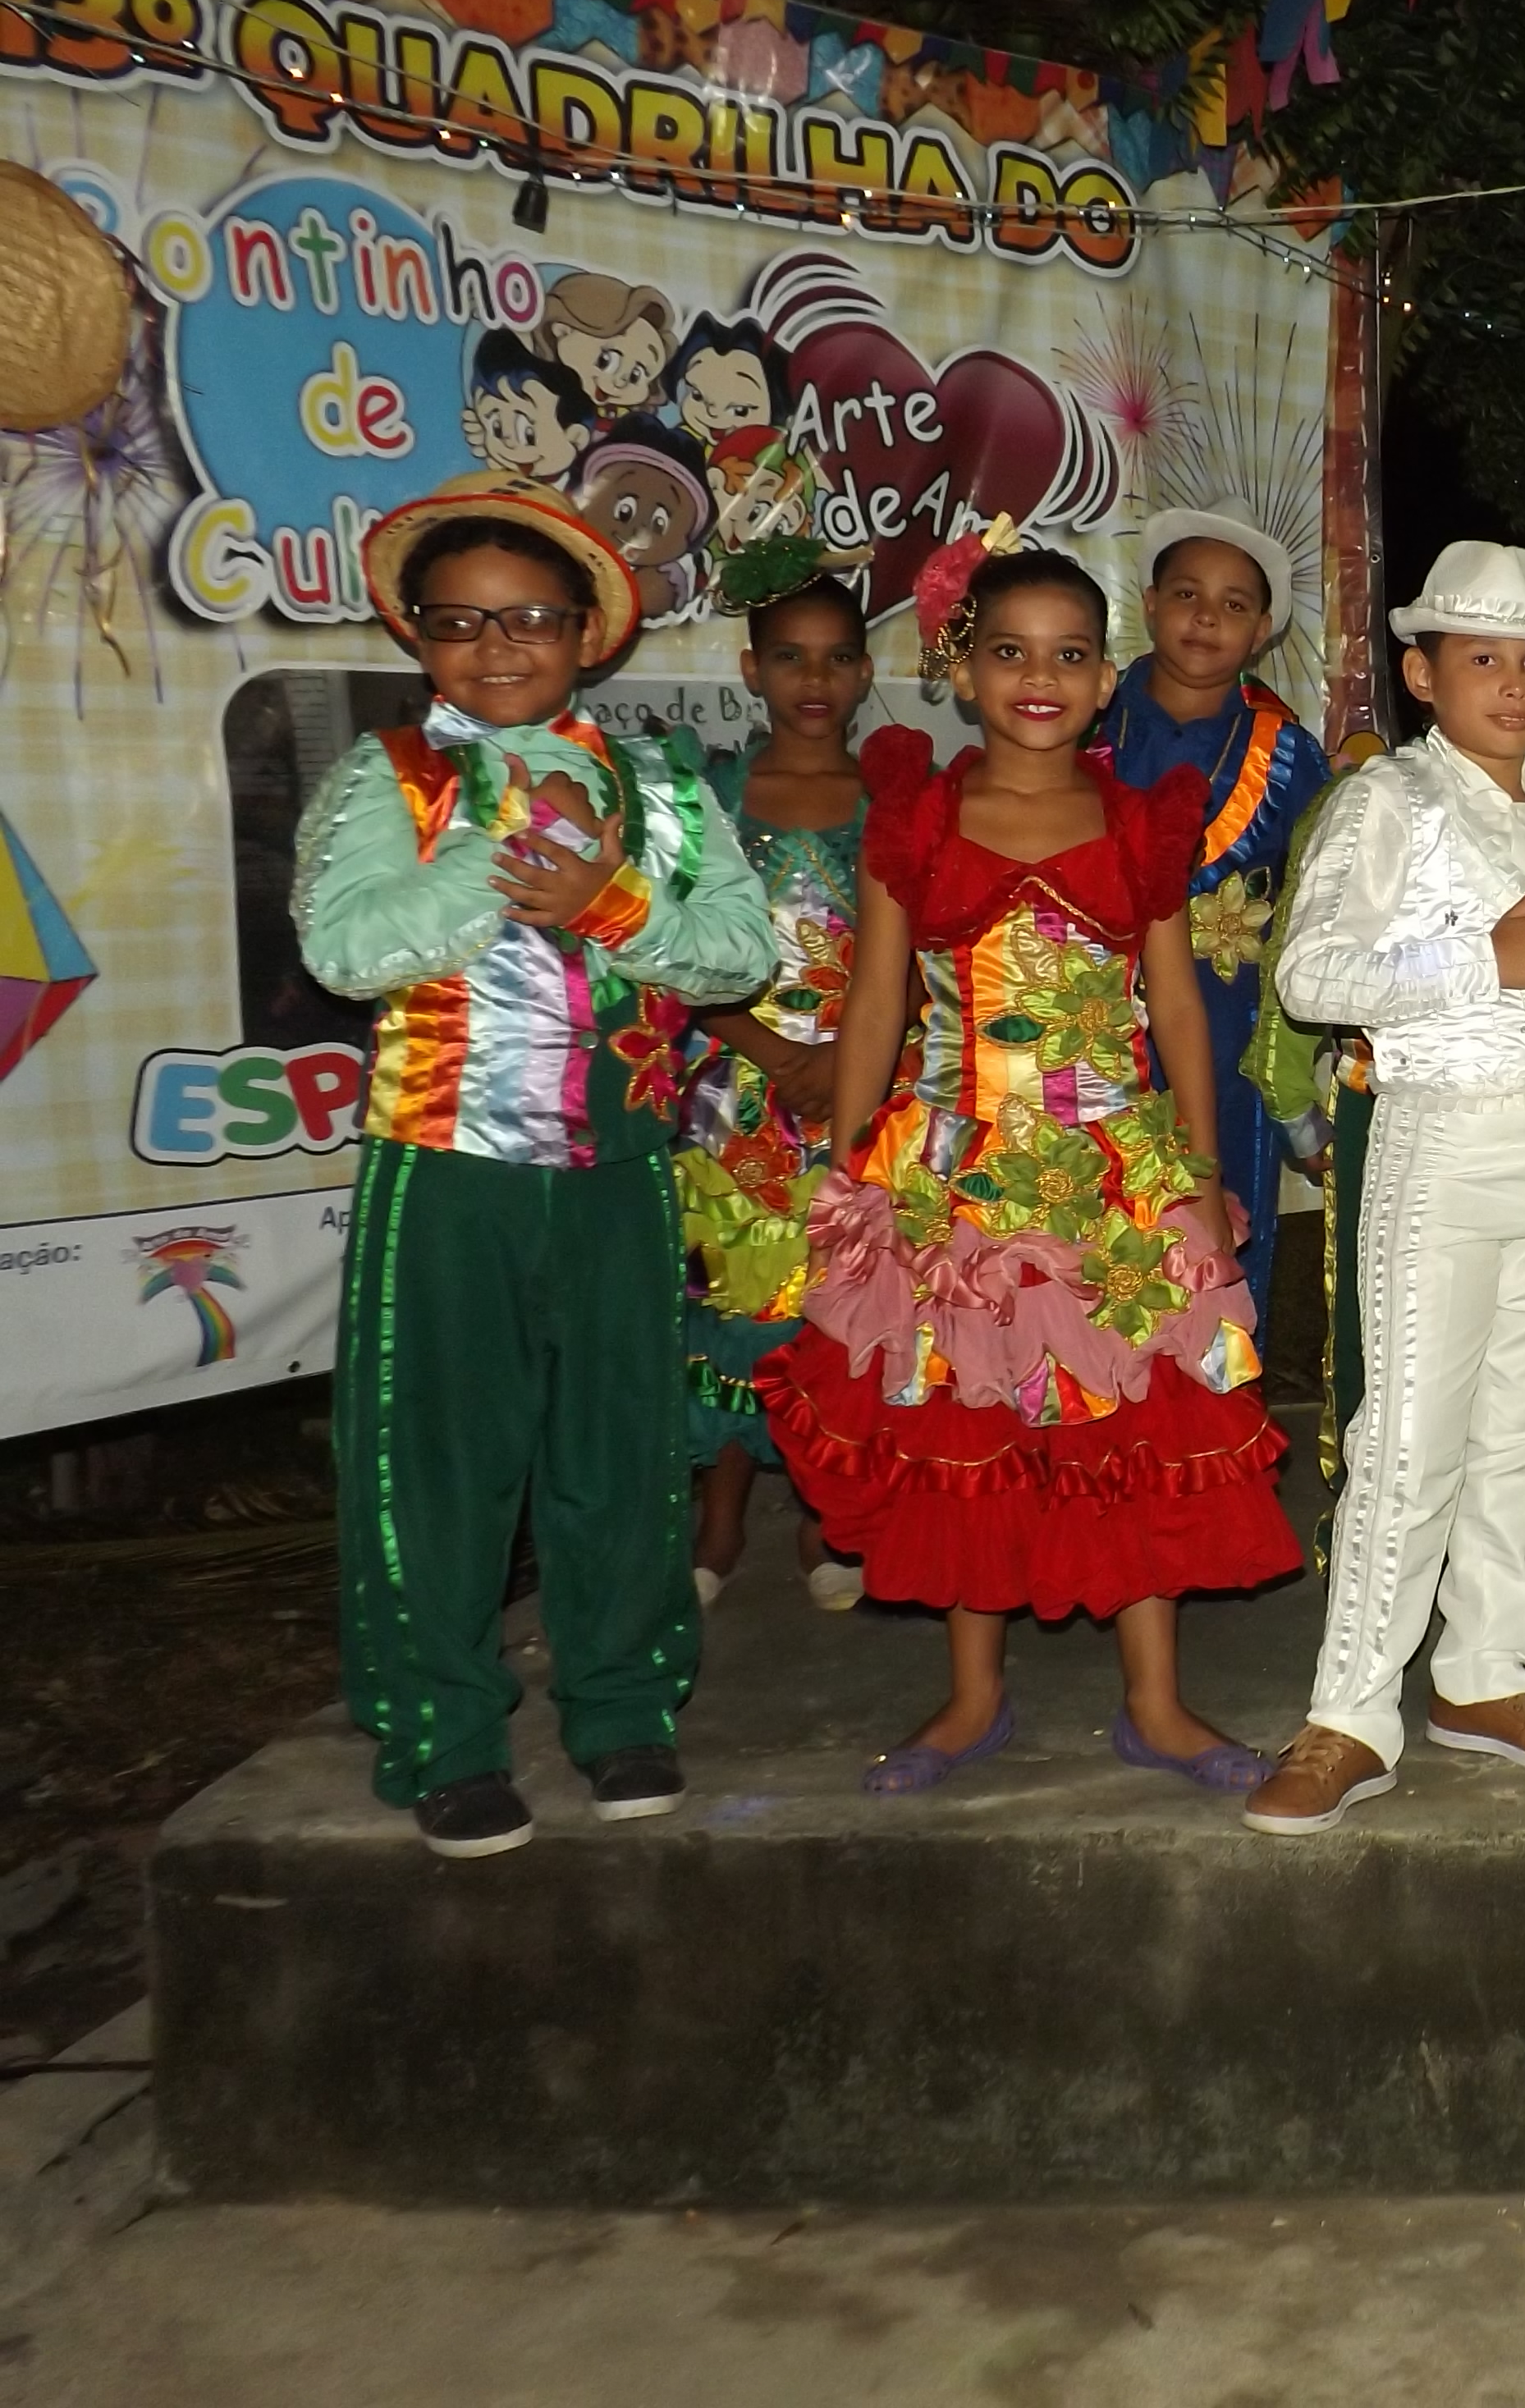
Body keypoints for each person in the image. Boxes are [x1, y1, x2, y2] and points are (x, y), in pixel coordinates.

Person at [760, 529, 1295, 1797]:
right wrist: (849, 1170)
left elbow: (1176, 1011)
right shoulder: (920, 818)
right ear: (962, 670)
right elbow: (877, 1003)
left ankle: (1156, 1704)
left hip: (1115, 1180)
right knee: (968, 1425)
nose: (1038, 678)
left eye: (1067, 656)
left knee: (1138, 1427)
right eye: (1009, 653)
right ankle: (971, 1699)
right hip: (953, 1178)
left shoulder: (1137, 821)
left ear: (1106, 680)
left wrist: (1198, 1169)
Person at [305, 474, 778, 1857]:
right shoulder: (390, 776)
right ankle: (444, 1736)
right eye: (461, 621)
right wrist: (502, 855)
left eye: (529, 619)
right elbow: (346, 948)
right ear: (418, 637)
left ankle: (623, 1708)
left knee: (621, 1456)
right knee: (438, 1463)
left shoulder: (663, 784)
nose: (497, 646)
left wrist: (611, 900)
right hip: (445, 1170)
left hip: (620, 1170)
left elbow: (740, 953)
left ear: (587, 633)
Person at [1245, 541, 1525, 1835]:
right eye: (1485, 660)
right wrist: (1480, 960)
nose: (1515, 685)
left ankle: (1484, 1674)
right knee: (1407, 1441)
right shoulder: (1390, 802)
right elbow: (1311, 977)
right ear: (1422, 675)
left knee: (1521, 1435)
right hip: (1442, 1141)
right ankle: (1350, 1714)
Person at [673, 570, 879, 1613]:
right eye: (790, 657)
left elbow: (915, 957)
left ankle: (821, 1507)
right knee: (731, 1290)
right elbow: (672, 946)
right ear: (752, 670)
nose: (814, 679)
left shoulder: (894, 802)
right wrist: (769, 1051)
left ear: (865, 673)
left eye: (837, 657)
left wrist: (842, 1061)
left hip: (857, 1085)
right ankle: (718, 1513)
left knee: (831, 1295)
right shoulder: (708, 797)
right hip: (730, 1089)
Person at [1099, 506, 1332, 1315]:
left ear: (1262, 631)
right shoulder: (1088, 720)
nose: (1206, 617)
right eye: (1187, 594)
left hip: (1232, 1033)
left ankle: (1228, 1382)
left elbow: (1320, 909)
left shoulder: (1289, 754)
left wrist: (1298, 1075)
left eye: (1234, 604)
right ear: (1149, 604)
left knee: (1222, 1231)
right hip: (1094, 1030)